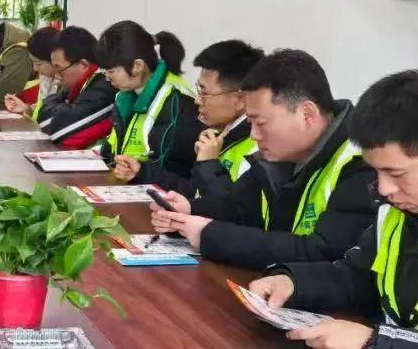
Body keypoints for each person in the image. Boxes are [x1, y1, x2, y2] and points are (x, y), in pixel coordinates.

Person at [248, 71, 418, 349]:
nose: (383, 189)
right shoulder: (396, 213)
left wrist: (374, 347)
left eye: (396, 174)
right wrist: (293, 282)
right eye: (377, 172)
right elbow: (356, 278)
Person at [150, 49, 376, 269]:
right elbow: (238, 209)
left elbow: (322, 251)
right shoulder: (280, 154)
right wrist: (188, 211)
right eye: (251, 123)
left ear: (307, 114)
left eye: (261, 123)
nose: (254, 135)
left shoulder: (361, 163)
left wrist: (209, 235)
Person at [130, 39, 264, 197]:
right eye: (199, 90)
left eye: (204, 93)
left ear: (240, 99)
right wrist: (143, 171)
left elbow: (227, 208)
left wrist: (209, 164)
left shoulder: (258, 150)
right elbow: (194, 193)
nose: (197, 100)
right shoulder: (220, 135)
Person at [96, 20, 200, 181]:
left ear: (137, 66)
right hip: (126, 185)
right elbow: (110, 151)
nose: (107, 78)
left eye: (111, 71)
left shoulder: (178, 101)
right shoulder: (126, 95)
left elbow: (177, 171)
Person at [8, 25, 116, 149]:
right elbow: (46, 108)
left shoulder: (104, 87)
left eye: (58, 68)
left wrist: (55, 109)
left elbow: (54, 129)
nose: (56, 75)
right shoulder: (77, 84)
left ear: (83, 65)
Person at [3, 27, 60, 120]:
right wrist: (26, 109)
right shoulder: (46, 77)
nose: (35, 68)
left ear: (55, 59)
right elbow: (42, 109)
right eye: (33, 62)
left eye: (39, 64)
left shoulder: (67, 83)